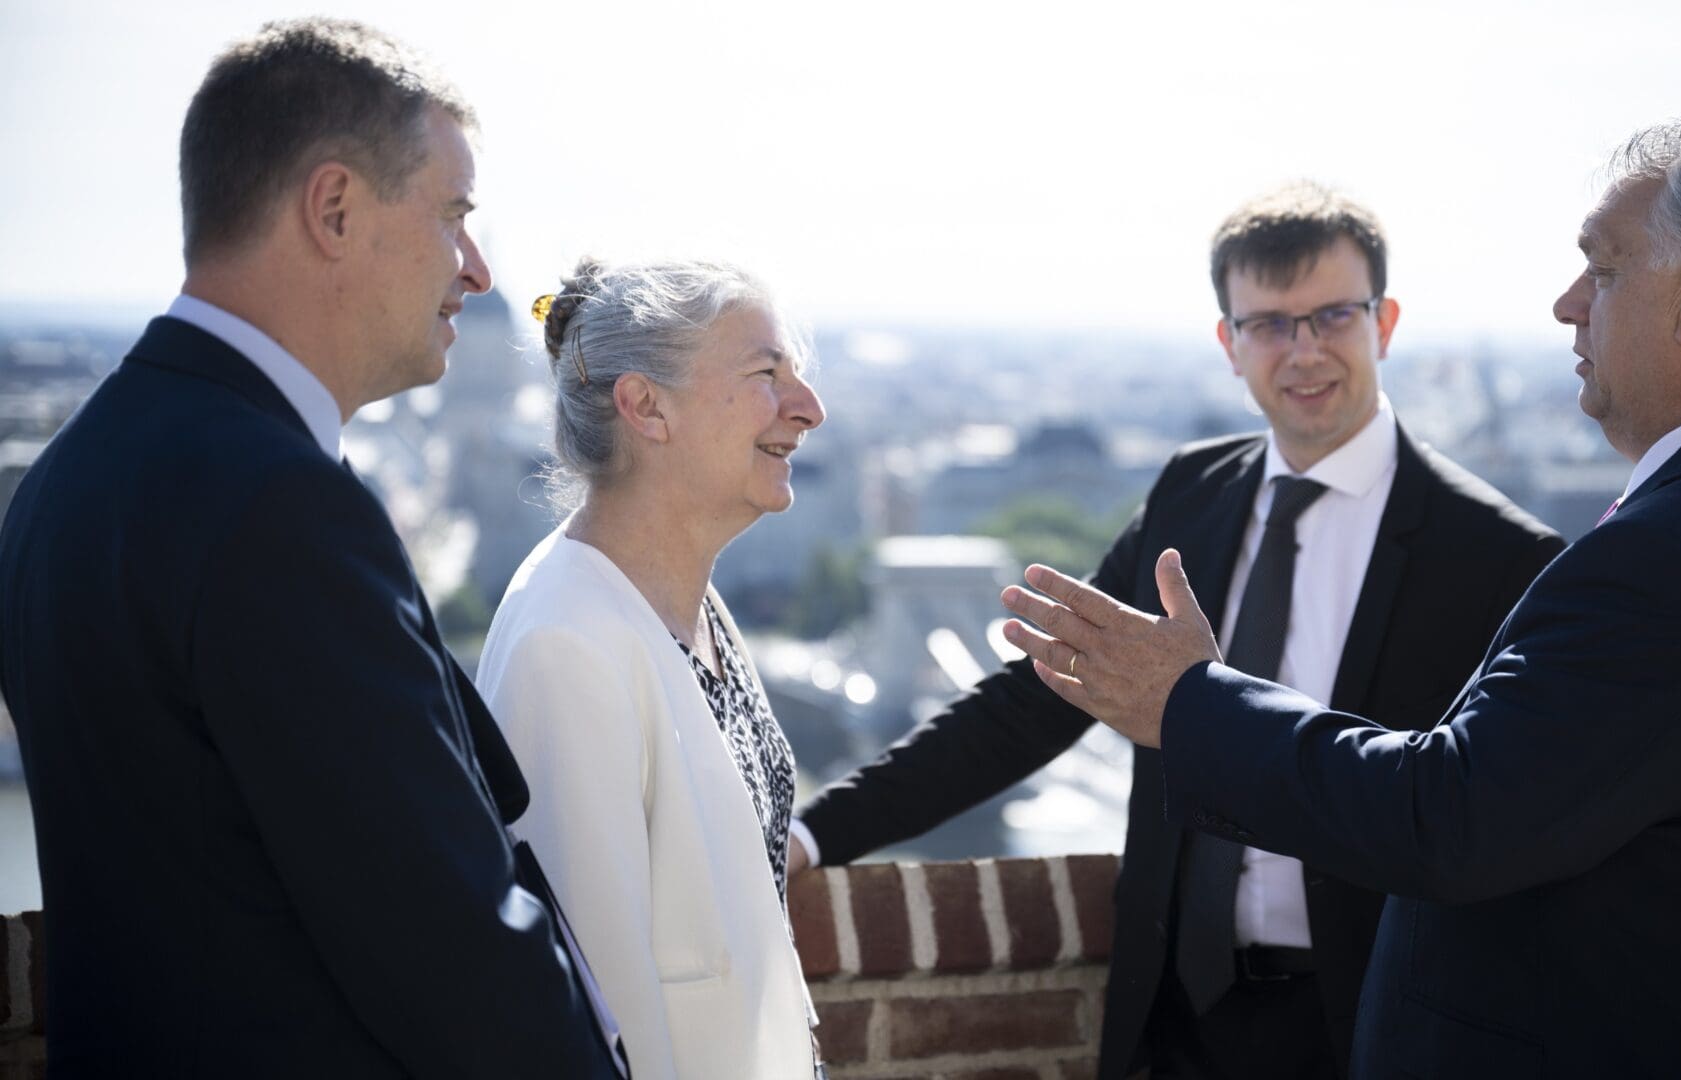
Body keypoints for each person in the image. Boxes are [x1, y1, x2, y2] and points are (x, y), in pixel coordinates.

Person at [1000, 120, 1681, 1079]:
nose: (1568, 304)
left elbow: (1448, 819)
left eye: (1601, 270)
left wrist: (1192, 703)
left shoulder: (1669, 563)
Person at [792, 184, 1561, 1079]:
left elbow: (1500, 823)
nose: (1302, 349)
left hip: (1367, 1023)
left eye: (1332, 317)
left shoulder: (1499, 556)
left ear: (1384, 323)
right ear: (1228, 345)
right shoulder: (1191, 497)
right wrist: (815, 838)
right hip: (1174, 1019)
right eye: (1268, 323)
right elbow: (1033, 705)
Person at [0, 19, 625, 1078]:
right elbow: (449, 950)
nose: (473, 269)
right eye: (452, 217)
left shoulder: (65, 479)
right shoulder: (279, 507)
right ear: (334, 209)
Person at [476, 258, 825, 1079]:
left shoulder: (685, 603)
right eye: (766, 373)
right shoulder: (564, 648)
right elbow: (591, 1019)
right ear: (645, 407)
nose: (808, 408)